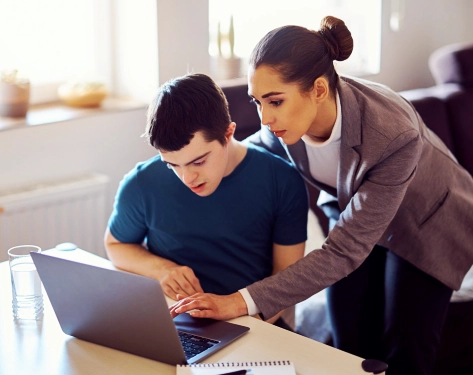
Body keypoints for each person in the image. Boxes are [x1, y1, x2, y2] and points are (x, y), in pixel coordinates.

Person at [169, 16, 473, 375]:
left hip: (429, 221)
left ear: (317, 90)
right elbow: (245, 155)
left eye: (275, 101)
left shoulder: (394, 134)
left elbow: (345, 250)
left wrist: (240, 302)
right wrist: (197, 164)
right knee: (346, 339)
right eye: (257, 102)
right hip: (357, 214)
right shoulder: (283, 126)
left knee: (404, 347)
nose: (265, 118)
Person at [104, 73, 309, 327]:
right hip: (171, 321)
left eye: (198, 161)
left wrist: (251, 324)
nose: (187, 177)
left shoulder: (282, 181)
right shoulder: (141, 183)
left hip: (250, 322)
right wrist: (162, 270)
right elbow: (116, 245)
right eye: (172, 165)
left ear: (228, 133)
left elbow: (288, 282)